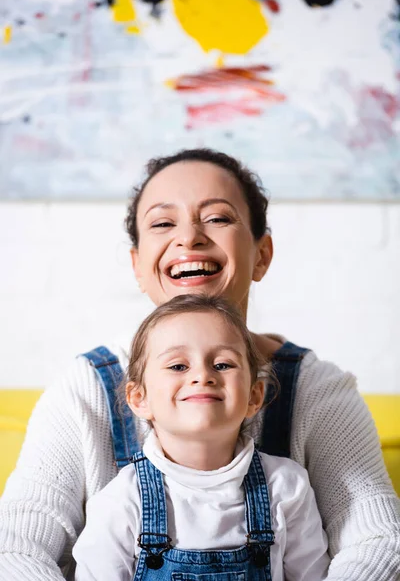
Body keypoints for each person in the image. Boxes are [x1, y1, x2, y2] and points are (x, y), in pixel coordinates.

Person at [0, 148, 399, 581]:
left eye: (218, 218)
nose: (189, 238)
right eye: (163, 223)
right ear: (137, 265)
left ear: (261, 254)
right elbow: (17, 547)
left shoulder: (317, 389)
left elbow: (377, 540)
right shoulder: (88, 387)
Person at [72, 294, 331, 581]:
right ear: (139, 398)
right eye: (178, 366)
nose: (202, 375)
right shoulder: (120, 501)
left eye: (222, 365)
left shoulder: (286, 488)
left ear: (254, 396)